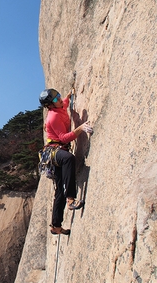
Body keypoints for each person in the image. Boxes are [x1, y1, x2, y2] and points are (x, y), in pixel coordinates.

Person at [39, 88, 93, 235]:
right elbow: (63, 138)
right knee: (69, 158)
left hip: (57, 152)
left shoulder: (60, 105)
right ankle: (71, 199)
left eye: (59, 96)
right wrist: (80, 128)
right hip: (52, 152)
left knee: (59, 193)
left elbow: (64, 102)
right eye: (56, 99)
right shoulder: (52, 117)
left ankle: (56, 226)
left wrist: (69, 95)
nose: (60, 100)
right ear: (50, 105)